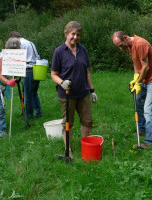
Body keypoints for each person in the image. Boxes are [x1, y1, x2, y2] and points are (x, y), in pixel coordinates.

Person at [51, 21, 98, 157]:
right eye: (73, 34)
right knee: (68, 123)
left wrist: (92, 90)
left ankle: (85, 145)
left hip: (83, 93)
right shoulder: (59, 51)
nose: (75, 37)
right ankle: (68, 149)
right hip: (67, 94)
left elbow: (86, 72)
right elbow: (53, 74)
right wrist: (62, 82)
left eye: (78, 35)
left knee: (87, 121)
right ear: (66, 34)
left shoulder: (82, 49)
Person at [112, 31, 152, 149]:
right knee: (138, 102)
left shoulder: (140, 44)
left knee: (148, 109)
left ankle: (149, 142)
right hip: (144, 79)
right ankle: (141, 129)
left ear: (125, 38)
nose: (120, 48)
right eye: (118, 47)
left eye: (120, 45)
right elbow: (137, 63)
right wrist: (135, 78)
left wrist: (139, 83)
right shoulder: (130, 45)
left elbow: (146, 67)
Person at [8, 31, 42, 119]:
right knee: (34, 92)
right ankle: (38, 112)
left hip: (28, 70)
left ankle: (29, 115)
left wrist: (15, 71)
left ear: (13, 37)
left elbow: (18, 58)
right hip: (37, 68)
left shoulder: (20, 44)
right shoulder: (30, 42)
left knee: (28, 95)